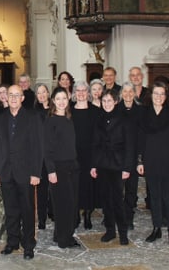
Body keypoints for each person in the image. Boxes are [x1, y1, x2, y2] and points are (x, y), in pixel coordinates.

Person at [0, 85, 43, 260]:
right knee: (11, 210)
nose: (13, 98)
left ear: (22, 98)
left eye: (17, 95)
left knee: (27, 210)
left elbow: (38, 147)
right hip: (6, 172)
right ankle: (12, 242)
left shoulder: (32, 117)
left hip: (26, 172)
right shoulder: (0, 118)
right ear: (6, 97)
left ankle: (28, 244)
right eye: (10, 94)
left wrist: (36, 173)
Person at [137, 82, 169, 247]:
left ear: (166, 96)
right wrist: (140, 161)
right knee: (154, 198)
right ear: (151, 95)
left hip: (168, 161)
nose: (159, 97)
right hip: (150, 160)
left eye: (162, 94)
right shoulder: (144, 114)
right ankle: (156, 228)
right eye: (156, 93)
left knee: (168, 198)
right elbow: (140, 140)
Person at [90, 89, 134, 245]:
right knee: (105, 200)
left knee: (117, 200)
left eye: (109, 101)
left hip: (118, 164)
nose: (106, 104)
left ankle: (123, 232)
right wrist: (93, 165)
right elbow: (94, 144)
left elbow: (130, 146)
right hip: (102, 164)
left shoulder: (124, 119)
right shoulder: (98, 118)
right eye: (104, 101)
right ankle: (110, 230)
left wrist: (127, 168)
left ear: (116, 101)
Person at [44, 87, 81, 248]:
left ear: (68, 100)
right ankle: (64, 240)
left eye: (64, 98)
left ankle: (60, 234)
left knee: (71, 204)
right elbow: (47, 149)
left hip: (72, 166)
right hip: (58, 167)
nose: (61, 102)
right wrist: (51, 170)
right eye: (58, 99)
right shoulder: (50, 121)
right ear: (53, 101)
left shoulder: (69, 118)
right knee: (62, 205)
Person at [71, 80, 99, 229]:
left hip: (89, 154)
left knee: (88, 186)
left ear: (88, 93)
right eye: (78, 91)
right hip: (73, 154)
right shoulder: (69, 111)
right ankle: (75, 213)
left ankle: (87, 214)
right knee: (74, 185)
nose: (81, 93)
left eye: (84, 91)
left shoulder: (94, 111)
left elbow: (97, 136)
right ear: (74, 93)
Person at [117, 82, 143, 230]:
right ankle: (118, 215)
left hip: (133, 155)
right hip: (118, 156)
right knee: (118, 188)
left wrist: (141, 158)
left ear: (134, 93)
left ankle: (129, 216)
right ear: (121, 94)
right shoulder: (115, 110)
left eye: (130, 91)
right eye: (124, 92)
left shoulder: (140, 111)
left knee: (131, 189)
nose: (127, 94)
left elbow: (142, 136)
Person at [33, 83, 52, 229]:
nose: (41, 95)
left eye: (43, 92)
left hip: (54, 154)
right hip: (40, 155)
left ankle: (54, 213)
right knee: (41, 189)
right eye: (38, 93)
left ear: (48, 93)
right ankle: (42, 219)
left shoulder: (55, 110)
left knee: (55, 187)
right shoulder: (33, 112)